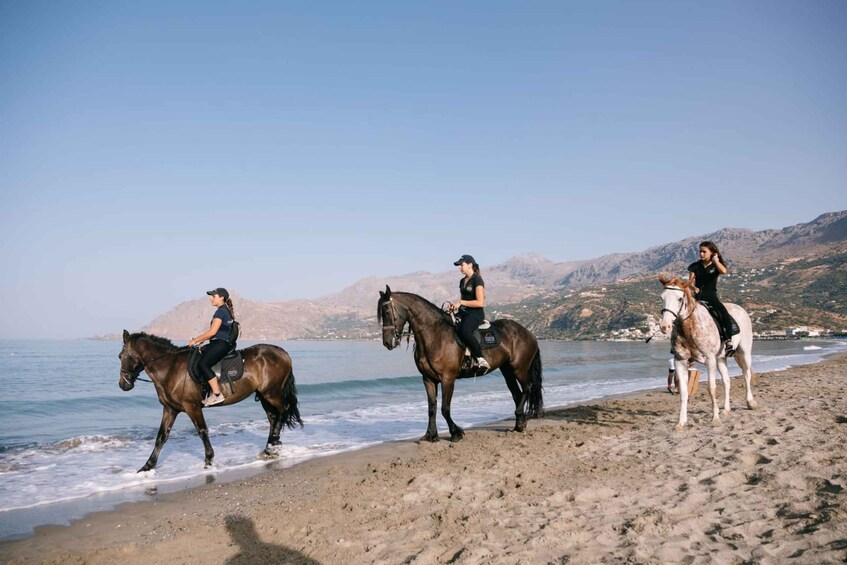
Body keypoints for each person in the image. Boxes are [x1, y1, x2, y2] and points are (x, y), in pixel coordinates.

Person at [188, 287, 237, 406]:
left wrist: (195, 340)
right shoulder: (225, 310)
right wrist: (203, 340)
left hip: (220, 343)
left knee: (202, 364)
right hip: (220, 343)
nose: (211, 298)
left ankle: (216, 394)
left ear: (221, 298)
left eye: (214, 296)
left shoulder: (220, 311)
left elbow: (212, 332)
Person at [688, 241, 735, 356]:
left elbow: (724, 271)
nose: (701, 254)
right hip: (697, 296)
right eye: (700, 252)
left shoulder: (716, 265)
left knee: (723, 313)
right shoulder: (695, 266)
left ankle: (728, 340)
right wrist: (694, 288)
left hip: (711, 295)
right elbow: (689, 282)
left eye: (704, 252)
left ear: (712, 253)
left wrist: (716, 261)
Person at [449, 255, 490, 371]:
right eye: (459, 266)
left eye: (461, 265)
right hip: (464, 312)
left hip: (475, 314)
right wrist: (454, 307)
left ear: (470, 265)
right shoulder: (462, 281)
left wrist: (461, 302)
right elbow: (464, 301)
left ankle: (481, 359)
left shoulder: (477, 280)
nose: (459, 268)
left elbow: (480, 303)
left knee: (465, 330)